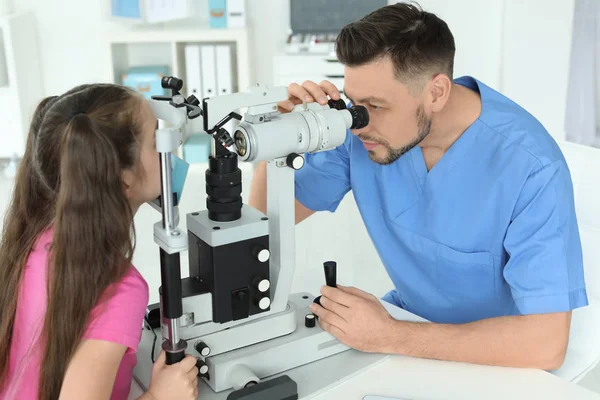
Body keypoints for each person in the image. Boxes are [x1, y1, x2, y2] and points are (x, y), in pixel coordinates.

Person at [249, 2, 587, 370]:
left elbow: (546, 345)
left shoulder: (531, 168)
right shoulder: (361, 134)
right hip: (406, 327)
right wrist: (277, 139)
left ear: (436, 93)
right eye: (353, 103)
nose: (358, 123)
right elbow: (264, 222)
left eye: (375, 106)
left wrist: (390, 334)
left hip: (496, 356)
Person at [0, 84, 199, 399]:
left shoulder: (34, 240)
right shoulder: (120, 290)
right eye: (155, 142)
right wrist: (161, 396)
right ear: (124, 179)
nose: (167, 152)